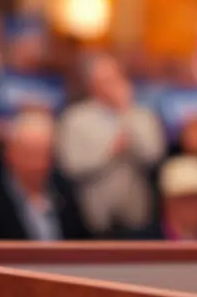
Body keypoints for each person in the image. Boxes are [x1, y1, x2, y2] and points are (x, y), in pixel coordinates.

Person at [57, 53, 166, 236]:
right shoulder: (75, 119)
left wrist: (126, 113)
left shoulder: (141, 115)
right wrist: (109, 153)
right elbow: (71, 167)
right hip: (92, 220)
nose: (111, 86)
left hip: (137, 216)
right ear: (91, 85)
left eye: (115, 79)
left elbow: (153, 155)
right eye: (104, 81)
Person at [0, 111, 88, 240]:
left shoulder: (65, 192)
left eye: (44, 155)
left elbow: (82, 241)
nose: (37, 164)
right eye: (29, 155)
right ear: (9, 154)